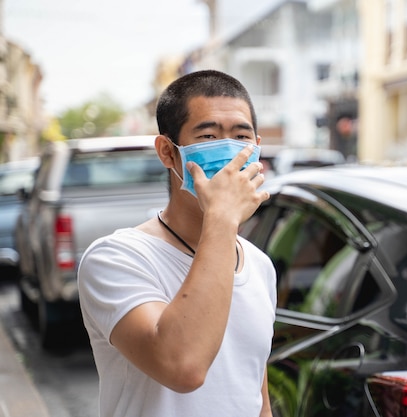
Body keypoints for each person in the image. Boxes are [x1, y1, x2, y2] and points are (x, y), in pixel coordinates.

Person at [78, 70, 276, 417]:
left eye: (242, 136)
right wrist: (221, 218)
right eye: (209, 135)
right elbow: (183, 366)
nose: (231, 154)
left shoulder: (259, 266)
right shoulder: (115, 258)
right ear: (168, 153)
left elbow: (255, 393)